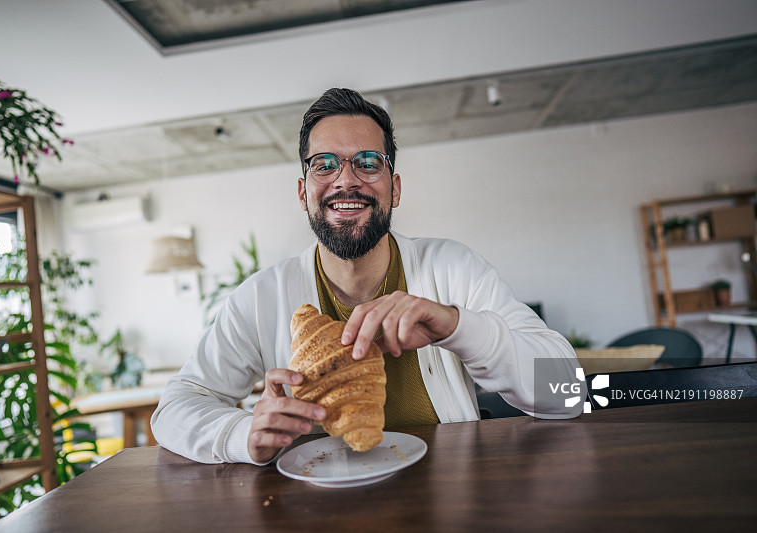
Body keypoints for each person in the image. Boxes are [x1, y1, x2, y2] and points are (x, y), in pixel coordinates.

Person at [151, 88, 582, 465]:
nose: (346, 181)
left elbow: (566, 390)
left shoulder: (454, 268)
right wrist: (240, 435)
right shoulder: (262, 297)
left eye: (368, 162)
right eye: (324, 165)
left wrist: (456, 325)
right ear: (304, 191)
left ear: (394, 187)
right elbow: (173, 409)